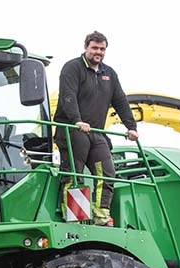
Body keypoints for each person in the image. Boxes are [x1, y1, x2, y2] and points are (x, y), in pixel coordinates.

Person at [53, 31, 138, 227]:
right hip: (72, 130)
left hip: (97, 132)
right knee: (75, 174)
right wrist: (76, 120)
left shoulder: (109, 74)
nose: (98, 52)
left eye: (102, 49)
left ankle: (101, 215)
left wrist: (131, 127)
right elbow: (67, 96)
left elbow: (120, 101)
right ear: (86, 48)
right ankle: (75, 218)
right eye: (94, 48)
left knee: (107, 172)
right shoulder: (72, 68)